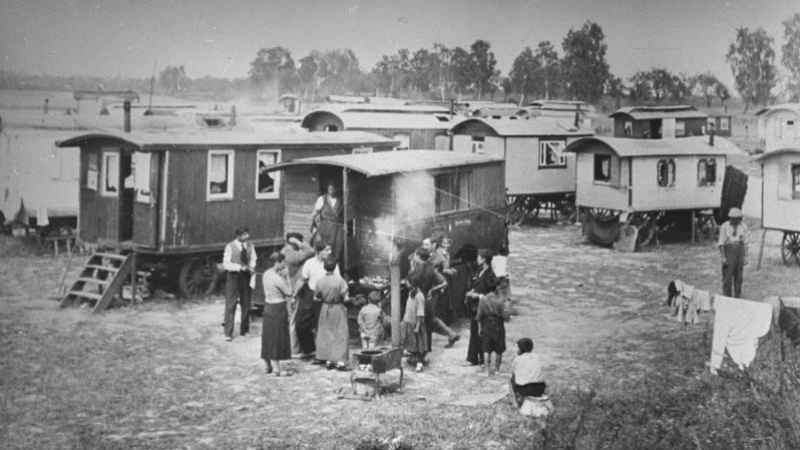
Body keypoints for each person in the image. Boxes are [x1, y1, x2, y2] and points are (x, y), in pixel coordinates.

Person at [405, 247, 459, 353]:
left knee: (415, 323)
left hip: (416, 300)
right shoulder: (432, 269)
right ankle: (451, 334)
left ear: (418, 257)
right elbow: (444, 283)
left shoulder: (415, 269)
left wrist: (410, 271)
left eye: (415, 255)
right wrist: (432, 290)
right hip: (427, 299)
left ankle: (416, 351)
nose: (414, 257)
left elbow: (409, 285)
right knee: (430, 321)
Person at [298, 241, 340, 358]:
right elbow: (304, 279)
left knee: (322, 326)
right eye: (326, 250)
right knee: (301, 324)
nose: (329, 252)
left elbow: (337, 280)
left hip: (325, 297)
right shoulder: (309, 263)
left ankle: (324, 354)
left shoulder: (332, 264)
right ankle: (309, 350)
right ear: (318, 251)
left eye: (330, 249)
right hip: (310, 295)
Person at [280, 232, 315, 358]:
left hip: (291, 288)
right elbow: (310, 251)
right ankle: (294, 349)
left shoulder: (287, 251)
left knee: (293, 318)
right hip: (293, 289)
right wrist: (299, 243)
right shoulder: (290, 252)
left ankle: (294, 348)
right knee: (294, 319)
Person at [261, 252, 294, 376]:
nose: (285, 265)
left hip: (268, 306)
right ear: (279, 262)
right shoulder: (278, 278)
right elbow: (289, 292)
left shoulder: (266, 274)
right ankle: (276, 369)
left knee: (268, 336)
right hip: (278, 307)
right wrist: (288, 277)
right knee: (277, 337)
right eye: (283, 262)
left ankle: (267, 366)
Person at [314, 259, 350, 370]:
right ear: (335, 267)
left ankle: (329, 360)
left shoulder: (320, 281)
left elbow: (316, 297)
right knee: (340, 333)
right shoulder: (340, 281)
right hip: (338, 307)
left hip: (325, 308)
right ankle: (340, 361)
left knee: (326, 333)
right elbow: (346, 298)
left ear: (324, 267)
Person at [222, 226, 256, 341]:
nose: (247, 237)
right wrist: (239, 267)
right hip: (233, 277)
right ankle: (228, 333)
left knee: (246, 303)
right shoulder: (230, 246)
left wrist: (251, 267)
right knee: (231, 304)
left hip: (245, 277)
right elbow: (226, 264)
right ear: (238, 236)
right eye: (244, 235)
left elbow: (253, 259)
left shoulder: (250, 245)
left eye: (247, 234)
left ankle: (244, 330)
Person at [465, 249, 497, 366]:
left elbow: (492, 293)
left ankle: (484, 358)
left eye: (479, 257)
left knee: (483, 332)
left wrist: (477, 295)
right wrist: (472, 291)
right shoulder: (479, 270)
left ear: (484, 259)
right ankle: (473, 358)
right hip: (475, 306)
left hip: (484, 307)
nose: (477, 259)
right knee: (474, 331)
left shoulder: (490, 275)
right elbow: (476, 284)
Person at [476, 286, 511, 377]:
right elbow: (506, 315)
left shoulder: (483, 300)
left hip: (486, 324)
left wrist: (480, 327)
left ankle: (486, 371)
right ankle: (497, 370)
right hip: (498, 324)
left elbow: (479, 315)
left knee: (486, 349)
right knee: (499, 349)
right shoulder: (502, 300)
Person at [718, 207, 748, 298]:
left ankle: (737, 296)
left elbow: (746, 243)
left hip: (739, 250)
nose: (735, 220)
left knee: (739, 276)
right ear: (730, 218)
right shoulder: (725, 226)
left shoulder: (743, 226)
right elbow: (721, 243)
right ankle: (727, 296)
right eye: (733, 218)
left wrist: (746, 257)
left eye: (737, 218)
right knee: (727, 276)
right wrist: (723, 257)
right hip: (729, 251)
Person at [311, 180, 345, 264]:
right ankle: (323, 266)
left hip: (337, 228)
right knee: (325, 247)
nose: (332, 191)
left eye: (334, 189)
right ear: (327, 188)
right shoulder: (322, 199)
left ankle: (333, 266)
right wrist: (316, 226)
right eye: (330, 189)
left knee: (337, 248)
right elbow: (314, 214)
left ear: (336, 189)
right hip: (325, 227)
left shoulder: (341, 200)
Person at [510, 338, 547, 406]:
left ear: (520, 349)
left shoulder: (517, 359)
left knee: (511, 380)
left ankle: (514, 402)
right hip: (540, 388)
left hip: (525, 389)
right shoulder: (537, 356)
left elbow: (513, 374)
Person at [402, 279, 427, 372]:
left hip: (417, 324)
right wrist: (405, 321)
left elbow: (420, 313)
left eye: (408, 282)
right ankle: (413, 359)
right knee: (412, 344)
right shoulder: (411, 293)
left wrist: (417, 326)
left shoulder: (419, 296)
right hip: (409, 322)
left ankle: (420, 364)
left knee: (419, 345)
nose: (406, 283)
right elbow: (408, 308)